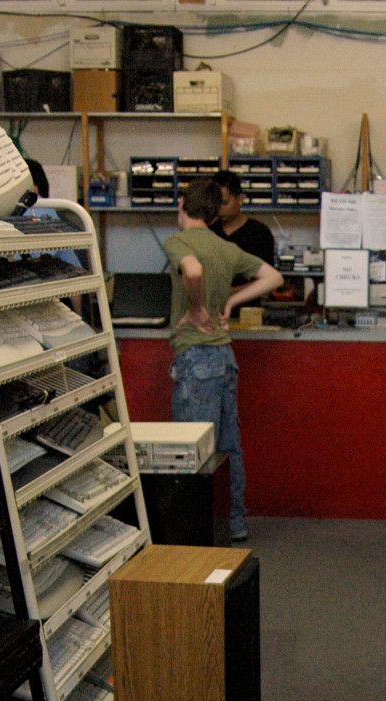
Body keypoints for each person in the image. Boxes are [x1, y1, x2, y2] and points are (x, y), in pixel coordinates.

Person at [165, 178, 284, 542]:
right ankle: (235, 521)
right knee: (228, 446)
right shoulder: (225, 247)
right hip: (224, 356)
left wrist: (196, 308)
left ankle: (193, 530)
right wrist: (230, 301)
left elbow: (193, 270)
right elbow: (273, 277)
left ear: (183, 205)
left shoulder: (179, 242)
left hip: (195, 357)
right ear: (215, 213)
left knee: (191, 448)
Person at [209, 170, 277, 282]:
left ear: (240, 199)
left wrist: (230, 291)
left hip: (250, 293)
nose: (219, 208)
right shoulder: (208, 231)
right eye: (215, 203)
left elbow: (268, 280)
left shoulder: (259, 233)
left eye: (224, 203)